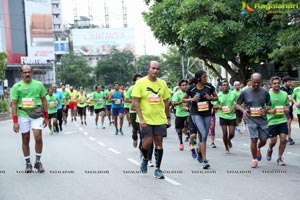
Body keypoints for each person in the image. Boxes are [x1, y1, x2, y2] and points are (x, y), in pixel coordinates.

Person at [132, 60, 171, 179]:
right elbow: (136, 102)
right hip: (146, 119)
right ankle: (145, 158)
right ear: (148, 69)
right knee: (147, 143)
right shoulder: (140, 83)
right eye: (153, 68)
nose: (155, 71)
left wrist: (168, 117)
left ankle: (158, 169)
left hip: (159, 119)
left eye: (157, 69)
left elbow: (166, 101)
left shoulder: (163, 83)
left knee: (159, 144)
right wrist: (141, 119)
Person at [11, 65, 48, 173]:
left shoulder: (39, 85)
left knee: (38, 137)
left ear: (32, 72)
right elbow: (13, 105)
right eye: (25, 72)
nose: (27, 74)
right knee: (25, 139)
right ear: (21, 73)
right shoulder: (16, 86)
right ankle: (28, 163)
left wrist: (46, 116)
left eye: (29, 72)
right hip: (23, 115)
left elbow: (44, 100)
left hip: (37, 115)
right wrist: (15, 121)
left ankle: (38, 161)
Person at [183, 70, 218, 169]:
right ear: (199, 78)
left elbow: (216, 97)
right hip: (196, 114)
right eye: (204, 77)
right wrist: (192, 99)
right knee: (202, 134)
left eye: (206, 77)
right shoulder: (192, 88)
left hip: (207, 113)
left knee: (204, 136)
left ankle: (199, 150)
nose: (206, 79)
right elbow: (183, 99)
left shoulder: (209, 87)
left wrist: (210, 98)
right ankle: (205, 160)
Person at [236, 73, 271, 168]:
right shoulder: (244, 92)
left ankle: (259, 148)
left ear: (261, 82)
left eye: (258, 83)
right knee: (254, 139)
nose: (256, 85)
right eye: (254, 83)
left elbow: (269, 105)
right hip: (251, 119)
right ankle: (254, 159)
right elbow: (237, 104)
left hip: (262, 119)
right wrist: (243, 110)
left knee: (263, 140)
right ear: (251, 81)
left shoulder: (265, 92)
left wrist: (264, 110)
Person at [266, 76, 289, 166]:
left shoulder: (284, 94)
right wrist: (271, 111)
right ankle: (270, 149)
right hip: (271, 121)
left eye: (278, 83)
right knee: (273, 141)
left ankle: (279, 158)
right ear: (271, 85)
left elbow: (287, 105)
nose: (277, 85)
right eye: (274, 83)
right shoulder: (267, 95)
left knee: (283, 140)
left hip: (282, 119)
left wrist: (287, 109)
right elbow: (264, 108)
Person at [213, 80, 237, 153]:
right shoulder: (219, 95)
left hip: (232, 116)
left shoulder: (233, 94)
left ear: (228, 86)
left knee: (232, 134)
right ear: (221, 87)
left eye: (226, 85)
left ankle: (229, 140)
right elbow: (214, 105)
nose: (225, 86)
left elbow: (238, 103)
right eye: (223, 85)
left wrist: (234, 109)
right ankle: (226, 148)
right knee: (225, 133)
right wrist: (218, 106)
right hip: (223, 115)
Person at [124, 73, 143, 147]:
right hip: (133, 111)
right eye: (138, 80)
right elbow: (125, 99)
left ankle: (142, 146)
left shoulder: (144, 87)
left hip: (142, 111)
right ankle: (135, 138)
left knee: (142, 130)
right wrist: (134, 102)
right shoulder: (131, 88)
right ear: (134, 81)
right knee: (135, 129)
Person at [171, 79, 189, 151]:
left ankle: (191, 142)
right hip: (179, 114)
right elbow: (173, 103)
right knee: (179, 130)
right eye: (183, 85)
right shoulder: (177, 94)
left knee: (188, 125)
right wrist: (181, 102)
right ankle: (181, 143)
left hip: (189, 113)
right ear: (180, 87)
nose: (185, 86)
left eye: (186, 85)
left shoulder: (190, 93)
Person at [280, 76, 295, 145]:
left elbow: (293, 98)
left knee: (289, 123)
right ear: (284, 82)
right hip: (283, 109)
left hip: (290, 109)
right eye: (289, 82)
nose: (290, 83)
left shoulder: (291, 89)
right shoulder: (280, 89)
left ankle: (288, 137)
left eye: (290, 82)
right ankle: (287, 138)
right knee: (288, 123)